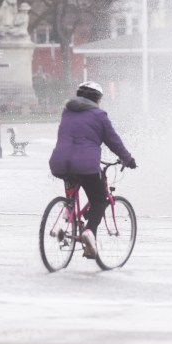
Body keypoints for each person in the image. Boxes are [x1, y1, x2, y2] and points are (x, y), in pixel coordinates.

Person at [49, 81, 136, 258]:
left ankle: (65, 221)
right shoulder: (99, 115)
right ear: (97, 99)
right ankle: (89, 232)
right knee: (99, 200)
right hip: (85, 164)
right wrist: (128, 159)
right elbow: (113, 141)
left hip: (59, 162)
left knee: (72, 192)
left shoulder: (67, 112)